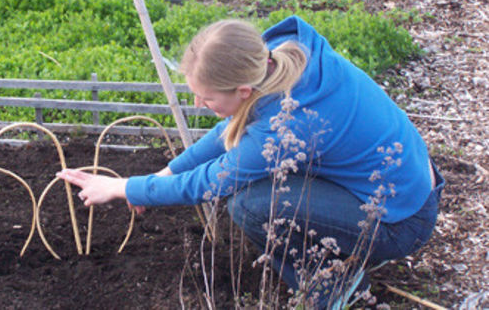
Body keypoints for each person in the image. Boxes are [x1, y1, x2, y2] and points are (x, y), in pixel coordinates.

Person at [57, 15, 444, 308]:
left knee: (251, 204)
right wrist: (164, 172)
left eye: (205, 98)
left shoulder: (290, 122)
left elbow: (212, 182)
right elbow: (229, 132)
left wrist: (123, 187)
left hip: (402, 220)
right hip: (402, 187)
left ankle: (335, 290)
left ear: (243, 90)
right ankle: (342, 254)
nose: (198, 105)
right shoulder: (280, 59)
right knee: (258, 194)